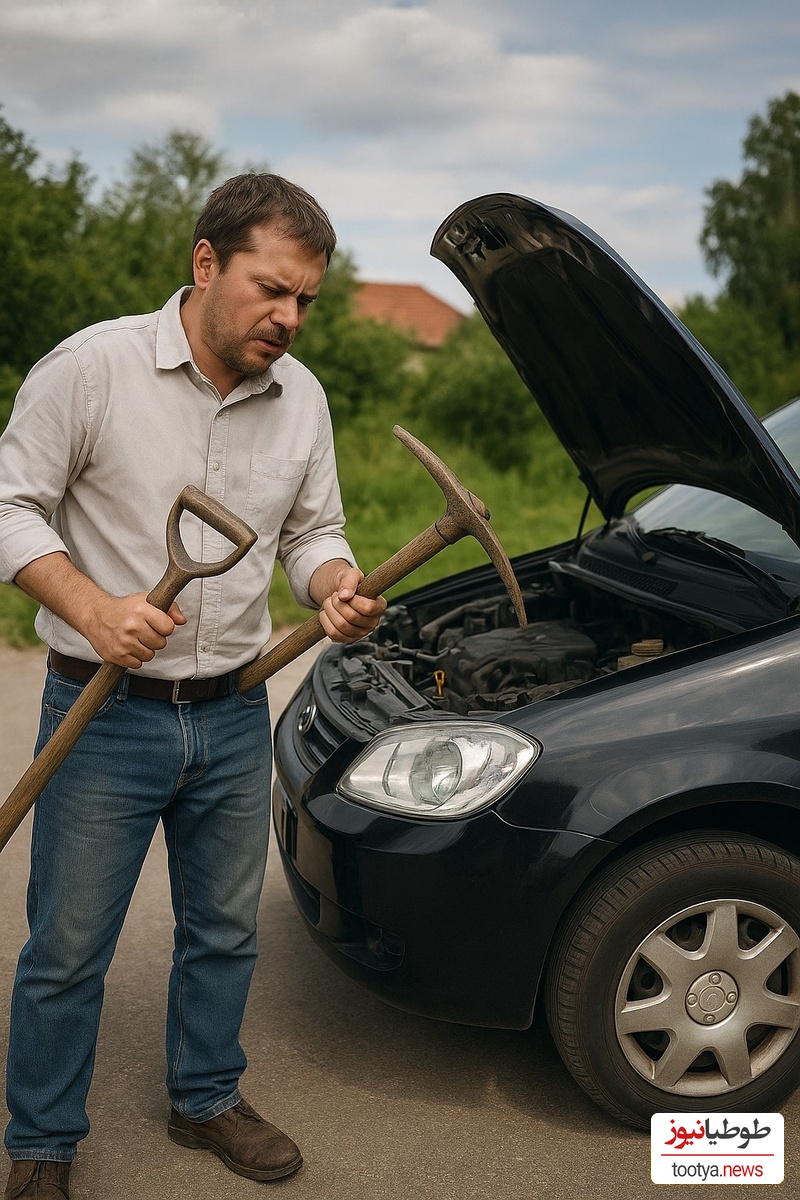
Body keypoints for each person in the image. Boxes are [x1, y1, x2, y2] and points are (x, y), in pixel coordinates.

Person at [0, 173, 386, 1199]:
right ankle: (40, 1141)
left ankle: (205, 1096)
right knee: (70, 945)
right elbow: (11, 507)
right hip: (103, 712)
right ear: (205, 263)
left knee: (223, 930)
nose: (288, 318)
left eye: (304, 298)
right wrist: (93, 610)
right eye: (270, 290)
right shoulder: (92, 370)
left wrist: (334, 584)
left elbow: (311, 533)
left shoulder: (299, 397)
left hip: (230, 710)